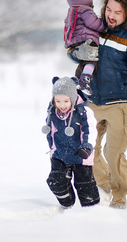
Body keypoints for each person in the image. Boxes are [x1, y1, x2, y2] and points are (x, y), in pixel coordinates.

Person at [77, 0, 127, 209]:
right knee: (86, 150)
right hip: (92, 101)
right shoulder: (97, 30)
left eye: (117, 12)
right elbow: (74, 50)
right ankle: (104, 184)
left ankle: (119, 198)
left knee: (114, 153)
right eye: (108, 9)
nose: (111, 15)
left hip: (117, 104)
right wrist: (77, 53)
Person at [41, 76, 100, 208]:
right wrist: (52, 149)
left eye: (66, 101)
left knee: (85, 186)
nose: (62, 105)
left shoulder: (83, 112)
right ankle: (67, 205)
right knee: (55, 182)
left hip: (81, 155)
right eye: (58, 101)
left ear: (72, 98)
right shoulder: (52, 112)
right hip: (60, 155)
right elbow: (50, 132)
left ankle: (92, 210)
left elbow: (89, 131)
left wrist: (87, 147)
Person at [64, 0, 106, 95]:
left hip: (76, 42)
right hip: (86, 40)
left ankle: (77, 82)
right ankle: (85, 80)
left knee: (84, 63)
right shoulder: (85, 10)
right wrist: (104, 25)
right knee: (92, 60)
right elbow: (93, 23)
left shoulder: (72, 11)